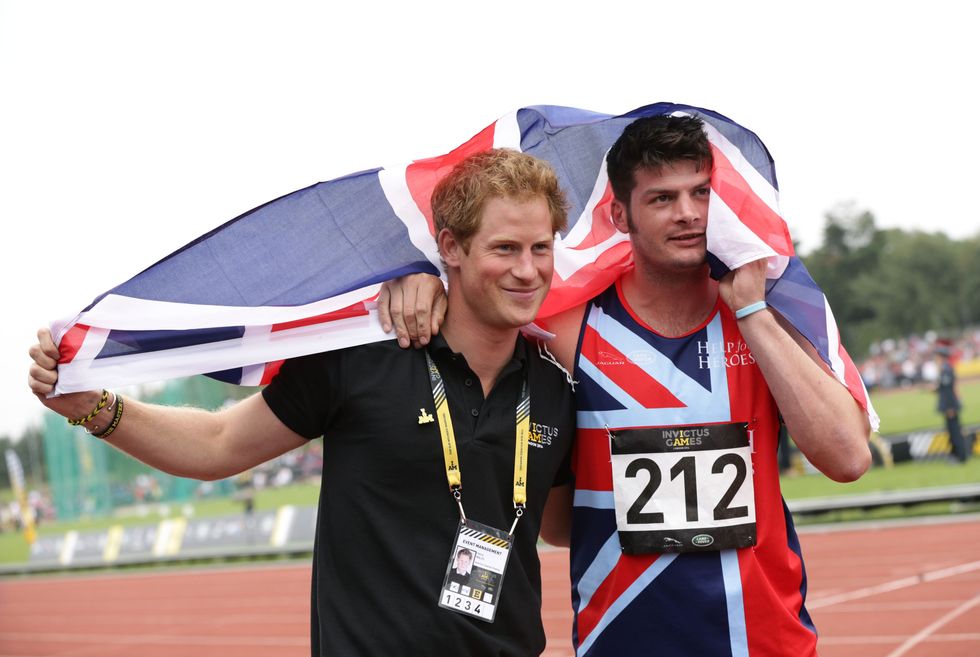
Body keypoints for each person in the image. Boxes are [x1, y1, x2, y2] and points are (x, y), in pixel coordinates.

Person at [28, 148, 576, 656]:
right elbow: (218, 445)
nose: (527, 270)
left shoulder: (556, 388)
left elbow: (558, 527)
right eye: (504, 248)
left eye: (540, 248)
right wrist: (95, 408)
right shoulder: (359, 357)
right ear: (451, 248)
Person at [381, 115, 872, 656]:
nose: (688, 213)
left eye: (701, 193)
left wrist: (752, 309)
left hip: (763, 640)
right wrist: (423, 275)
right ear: (620, 214)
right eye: (661, 198)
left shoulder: (778, 314)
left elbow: (847, 459)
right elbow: (480, 289)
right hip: (621, 640)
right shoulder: (563, 327)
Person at [936, 345, 967, 463]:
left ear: (942, 357)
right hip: (949, 405)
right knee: (952, 430)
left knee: (955, 431)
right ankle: (957, 455)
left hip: (950, 406)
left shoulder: (946, 369)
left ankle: (961, 456)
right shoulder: (944, 369)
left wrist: (950, 407)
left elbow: (949, 389)